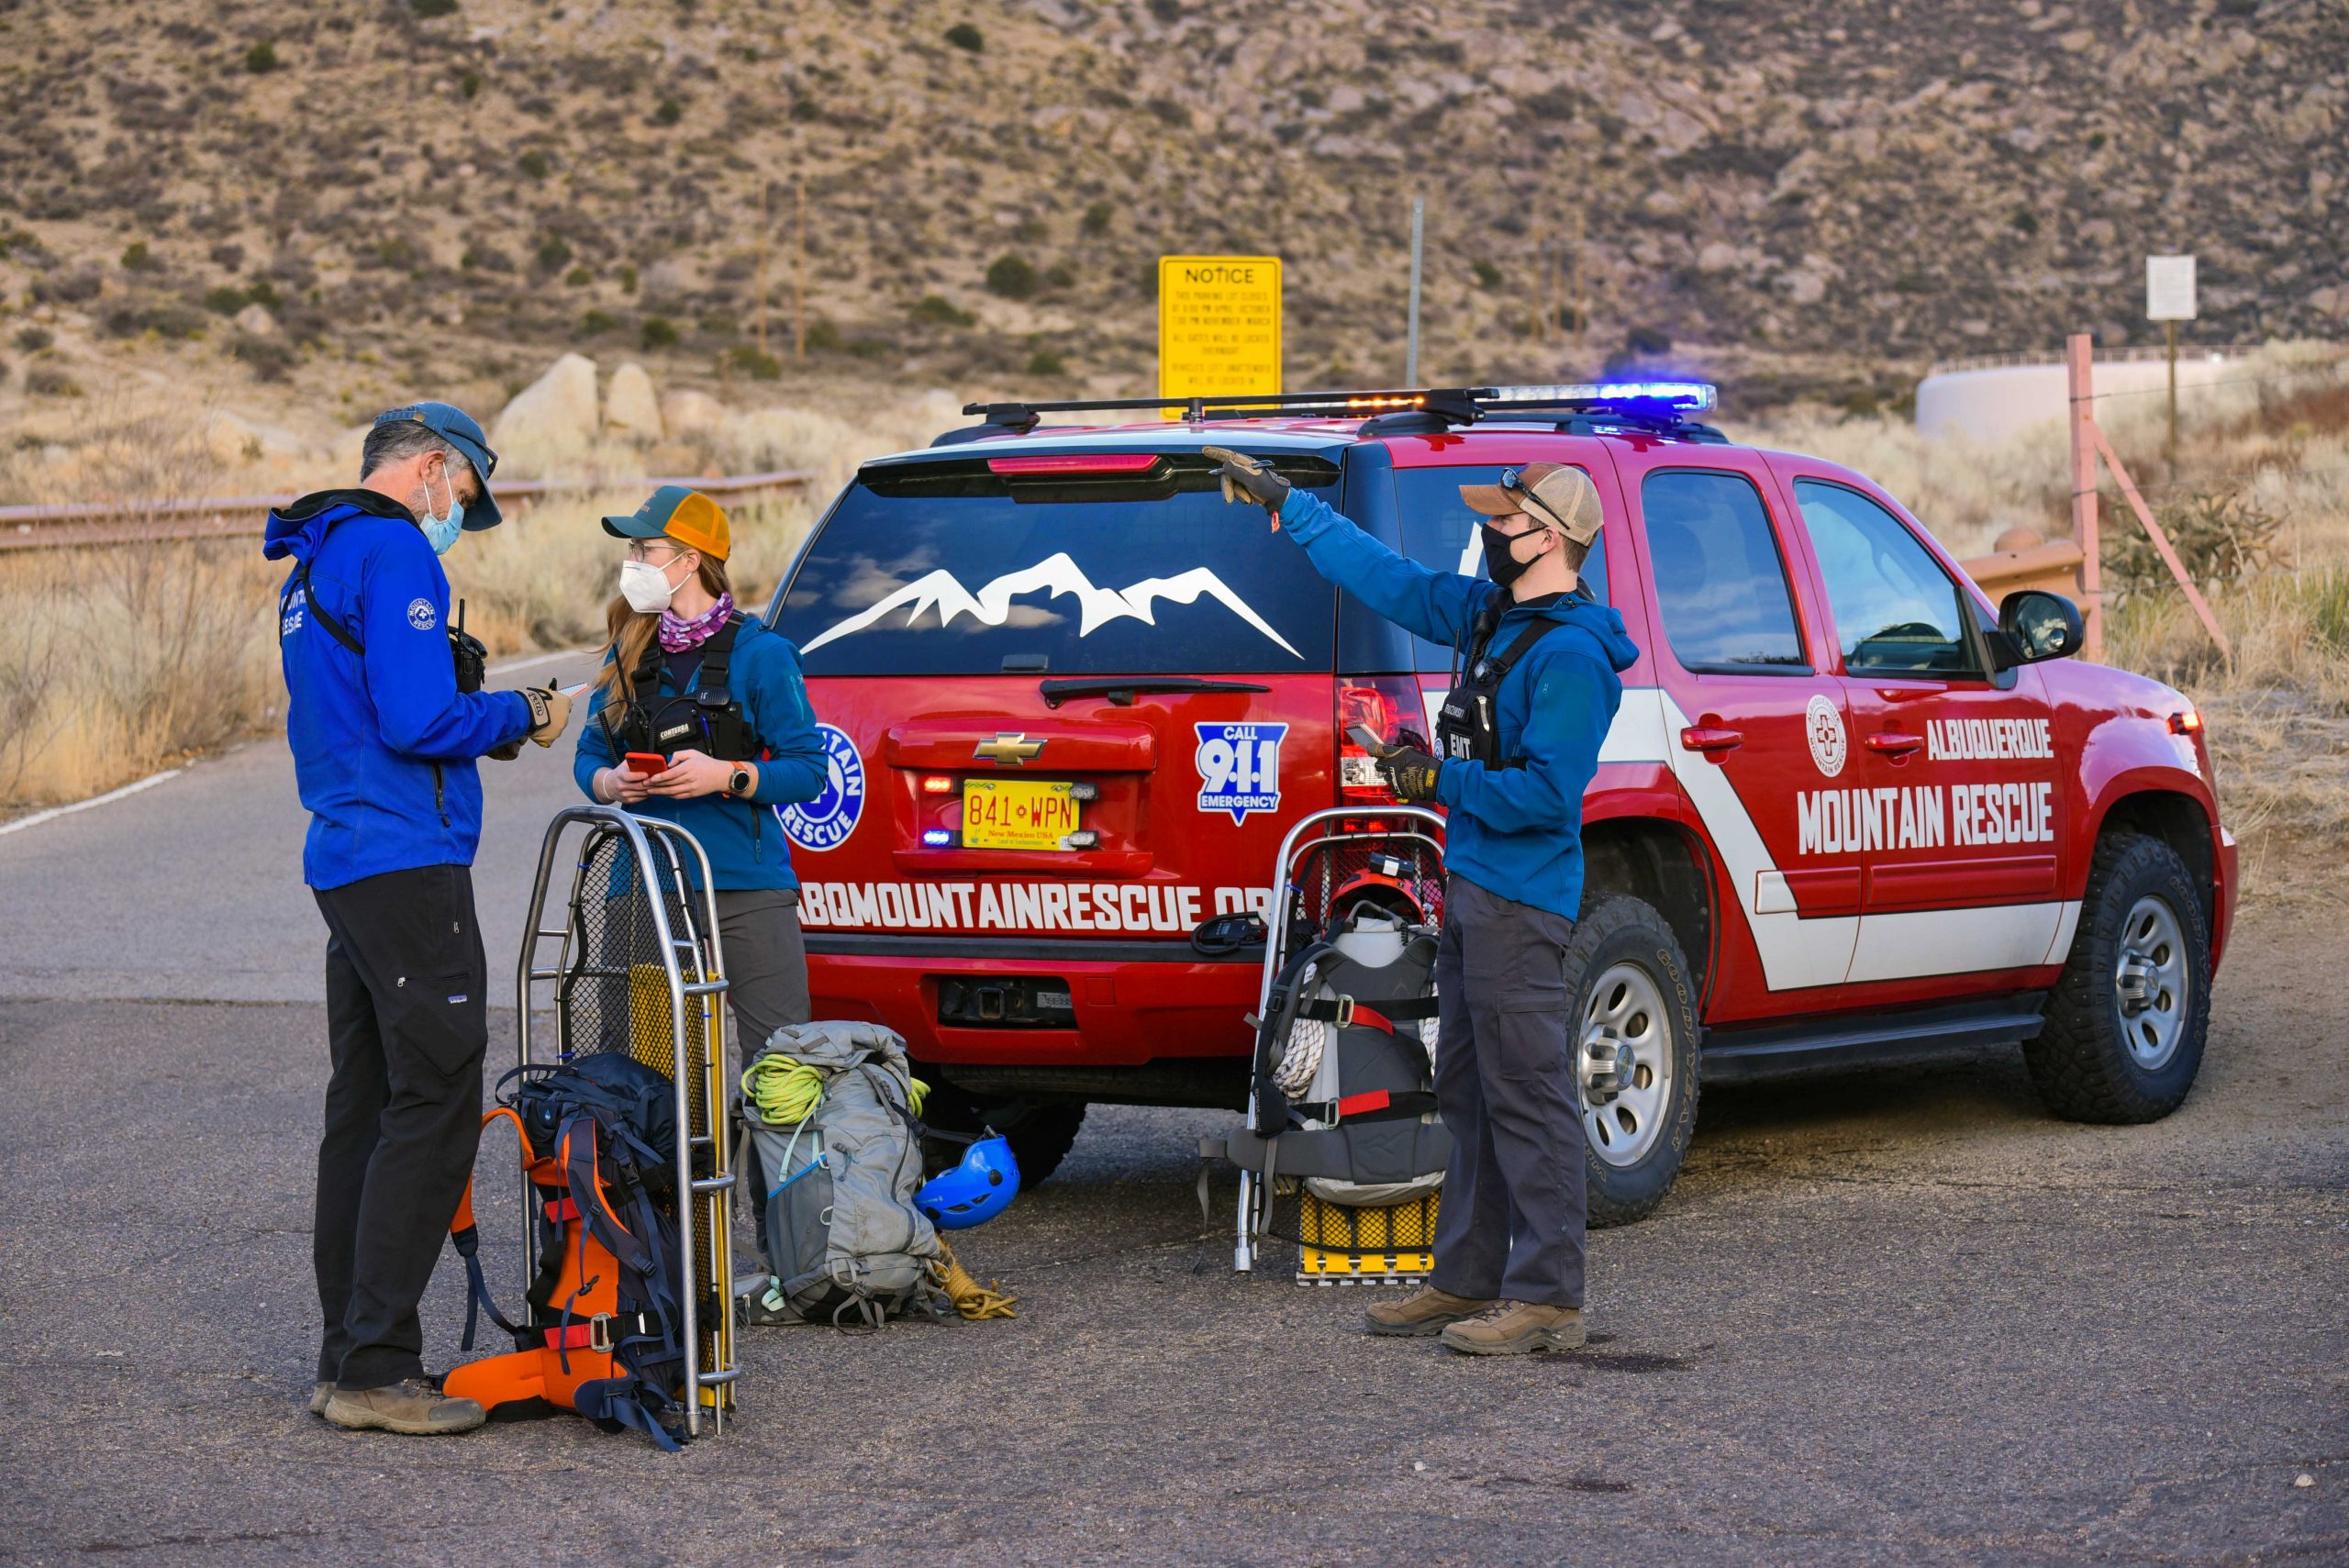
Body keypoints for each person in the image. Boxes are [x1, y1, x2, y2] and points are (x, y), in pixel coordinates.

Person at [1205, 449, 1638, 1355]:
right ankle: (1467, 1277)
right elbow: (1388, 578)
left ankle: (1549, 1293)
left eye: (1504, 520)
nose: (1488, 531)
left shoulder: (1569, 655)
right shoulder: (1490, 615)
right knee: (1469, 1092)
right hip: (1474, 888)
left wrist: (1440, 777)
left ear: (1548, 538)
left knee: (1527, 1094)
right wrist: (1296, 509)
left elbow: (1547, 799)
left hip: (1521, 903)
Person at [267, 402, 573, 1434]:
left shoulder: (310, 566)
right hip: (406, 859)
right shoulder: (396, 551)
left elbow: (348, 713)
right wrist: (516, 714)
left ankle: (343, 1352)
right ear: (434, 469)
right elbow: (417, 720)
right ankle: (377, 1366)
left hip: (344, 858)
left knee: (365, 1106)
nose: (459, 517)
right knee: (436, 1096)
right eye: (465, 496)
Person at [571, 486, 829, 1322]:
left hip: (746, 891)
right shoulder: (627, 646)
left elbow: (807, 768)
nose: (633, 565)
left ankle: (798, 1261)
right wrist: (610, 780)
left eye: (645, 551)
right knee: (654, 1079)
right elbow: (587, 754)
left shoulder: (762, 656)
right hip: (645, 887)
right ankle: (664, 1261)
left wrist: (730, 776)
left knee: (779, 1072)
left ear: (689, 562)